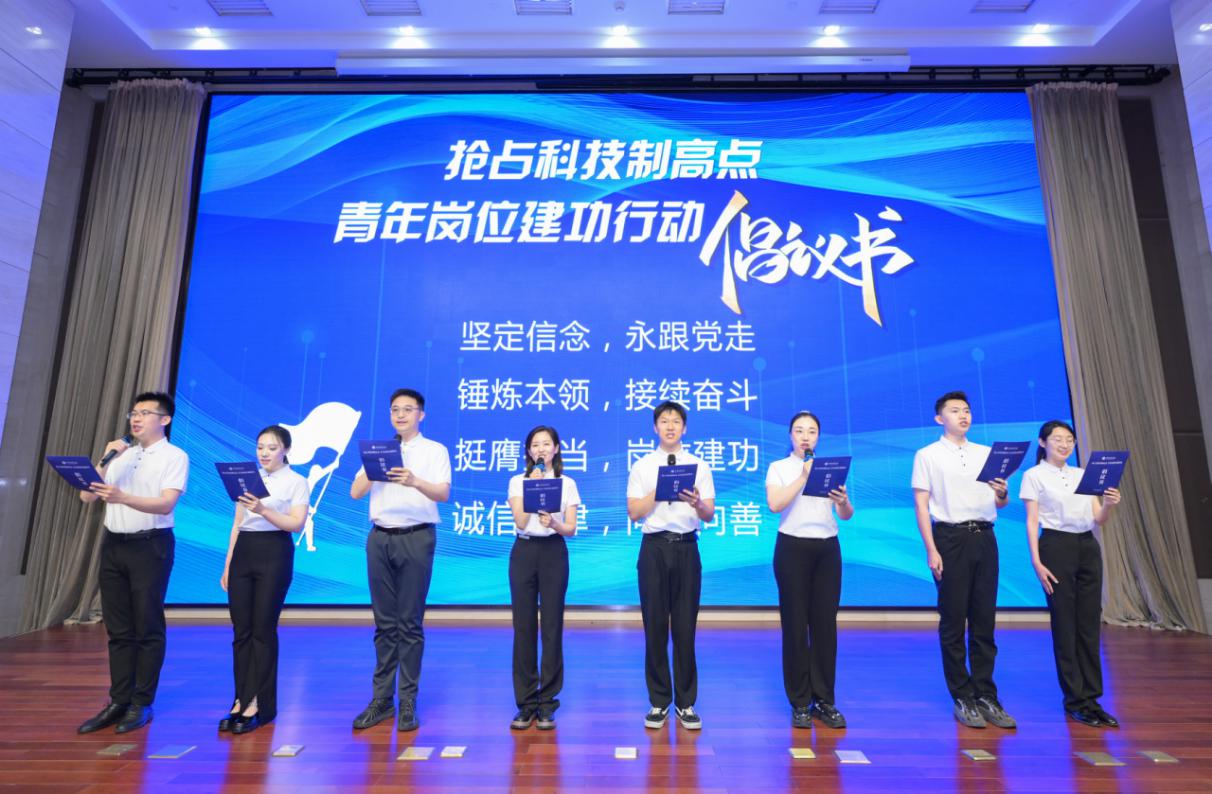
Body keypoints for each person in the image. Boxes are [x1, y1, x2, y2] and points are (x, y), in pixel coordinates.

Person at [77, 391, 189, 735]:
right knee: (118, 628)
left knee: (147, 626)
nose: (136, 419)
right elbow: (86, 495)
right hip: (114, 544)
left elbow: (165, 504)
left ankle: (142, 702)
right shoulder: (120, 454)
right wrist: (105, 459)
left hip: (150, 546)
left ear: (164, 420)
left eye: (144, 413)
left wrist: (123, 496)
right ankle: (118, 701)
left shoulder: (174, 456)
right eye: (133, 413)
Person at [911, 391, 1015, 729]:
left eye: (967, 410)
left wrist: (1002, 492)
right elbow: (921, 505)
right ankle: (962, 695)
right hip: (950, 538)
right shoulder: (927, 455)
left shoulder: (986, 454)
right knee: (954, 620)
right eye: (955, 410)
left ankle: (986, 694)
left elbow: (1000, 503)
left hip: (985, 536)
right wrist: (931, 549)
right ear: (939, 418)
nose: (963, 415)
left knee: (984, 620)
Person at [350, 388, 451, 732]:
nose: (401, 415)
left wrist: (414, 480)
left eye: (408, 409)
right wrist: (373, 467)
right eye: (395, 410)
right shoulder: (378, 451)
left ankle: (408, 700)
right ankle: (381, 700)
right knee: (384, 624)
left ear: (421, 415)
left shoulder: (434, 450)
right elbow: (355, 492)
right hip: (380, 538)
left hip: (416, 537)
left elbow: (443, 493)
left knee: (409, 623)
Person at [1020, 420, 1121, 728]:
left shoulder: (1082, 474)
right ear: (1043, 443)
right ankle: (1075, 700)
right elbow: (1031, 521)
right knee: (1065, 625)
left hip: (1087, 546)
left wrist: (1109, 504)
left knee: (1089, 625)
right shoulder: (1034, 475)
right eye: (1058, 439)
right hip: (1055, 546)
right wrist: (1036, 562)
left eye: (1069, 440)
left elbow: (1098, 518)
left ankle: (1092, 698)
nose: (1065, 444)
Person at [627, 401, 715, 730]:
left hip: (687, 548)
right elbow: (634, 513)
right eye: (664, 421)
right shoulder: (642, 466)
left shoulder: (699, 465)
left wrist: (697, 502)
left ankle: (686, 703)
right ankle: (659, 701)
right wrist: (659, 490)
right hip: (653, 548)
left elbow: (709, 514)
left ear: (684, 428)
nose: (670, 426)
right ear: (655, 427)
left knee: (685, 628)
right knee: (654, 627)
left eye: (676, 421)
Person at [218, 425, 310, 735]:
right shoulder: (249, 480)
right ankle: (240, 698)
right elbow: (237, 523)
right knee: (241, 630)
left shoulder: (296, 481)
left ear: (286, 450)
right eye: (260, 447)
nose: (264, 453)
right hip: (244, 550)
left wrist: (263, 509)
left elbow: (296, 524)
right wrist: (228, 564)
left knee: (262, 630)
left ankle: (260, 703)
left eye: (271, 447)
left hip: (274, 551)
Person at [766, 411, 854, 730]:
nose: (806, 436)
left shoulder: (831, 469)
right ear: (790, 435)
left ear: (819, 436)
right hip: (792, 548)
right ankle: (800, 702)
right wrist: (804, 477)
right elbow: (775, 504)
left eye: (812, 431)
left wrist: (842, 500)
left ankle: (825, 700)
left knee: (825, 626)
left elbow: (846, 515)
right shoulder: (779, 468)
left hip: (827, 549)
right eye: (800, 431)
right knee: (794, 626)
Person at [505, 425, 580, 731]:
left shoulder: (567, 483)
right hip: (524, 552)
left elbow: (571, 528)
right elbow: (520, 521)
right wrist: (531, 488)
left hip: (553, 552)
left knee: (551, 627)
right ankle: (525, 704)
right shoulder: (517, 481)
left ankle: (547, 702)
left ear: (556, 449)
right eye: (535, 445)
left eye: (546, 444)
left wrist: (555, 523)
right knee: (523, 627)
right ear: (528, 452)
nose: (541, 449)